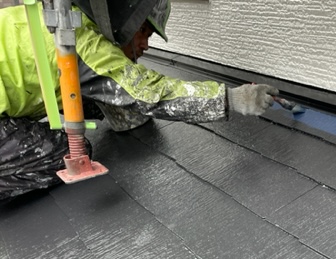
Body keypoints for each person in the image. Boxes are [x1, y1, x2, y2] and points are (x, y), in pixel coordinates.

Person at [0, 0, 278, 200]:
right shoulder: (78, 39)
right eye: (143, 31)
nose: (145, 45)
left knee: (97, 98)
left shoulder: (66, 17)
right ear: (123, 21)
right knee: (61, 152)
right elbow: (145, 91)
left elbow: (125, 96)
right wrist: (233, 98)